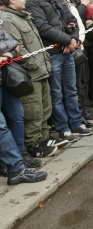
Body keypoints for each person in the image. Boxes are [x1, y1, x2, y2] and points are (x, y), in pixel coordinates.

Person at [26, 0, 93, 143]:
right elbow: (43, 27)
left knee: (71, 90)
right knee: (57, 94)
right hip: (54, 53)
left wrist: (75, 39)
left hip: (68, 50)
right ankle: (63, 128)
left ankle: (76, 123)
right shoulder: (33, 1)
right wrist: (67, 41)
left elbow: (72, 19)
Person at [0, 0, 59, 158]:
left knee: (44, 108)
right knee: (33, 111)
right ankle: (34, 144)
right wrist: (35, 65)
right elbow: (19, 49)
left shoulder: (23, 16)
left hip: (41, 69)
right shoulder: (9, 19)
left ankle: (44, 139)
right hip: (31, 72)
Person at [0, 51, 48, 185]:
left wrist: (6, 53)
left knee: (17, 115)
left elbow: (11, 42)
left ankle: (19, 157)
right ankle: (16, 169)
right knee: (1, 127)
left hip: (4, 75)